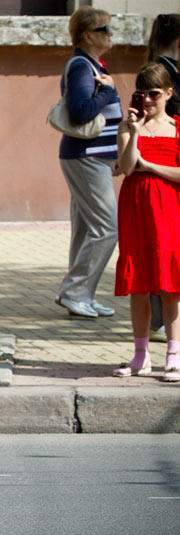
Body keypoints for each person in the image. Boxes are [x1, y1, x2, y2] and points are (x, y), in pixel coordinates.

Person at [112, 62, 180, 383]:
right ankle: (140, 357)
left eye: (154, 93)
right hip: (136, 208)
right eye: (142, 93)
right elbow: (127, 167)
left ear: (168, 93)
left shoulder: (177, 128)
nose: (148, 100)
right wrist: (135, 131)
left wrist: (150, 166)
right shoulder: (127, 128)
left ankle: (174, 356)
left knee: (170, 286)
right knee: (139, 284)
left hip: (169, 210)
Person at [53, 7, 122, 319]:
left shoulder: (90, 64)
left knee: (85, 230)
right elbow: (80, 112)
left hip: (94, 156)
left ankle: (82, 296)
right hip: (86, 156)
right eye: (104, 29)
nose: (110, 34)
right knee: (107, 228)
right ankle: (75, 293)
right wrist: (107, 91)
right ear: (87, 36)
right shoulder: (82, 66)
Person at [143, 14, 180, 343]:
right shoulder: (164, 73)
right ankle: (160, 323)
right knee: (162, 250)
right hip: (165, 170)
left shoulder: (162, 67)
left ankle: (162, 323)